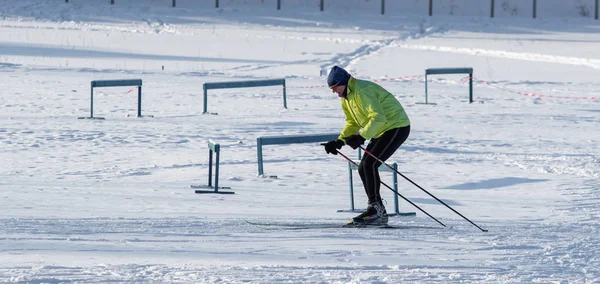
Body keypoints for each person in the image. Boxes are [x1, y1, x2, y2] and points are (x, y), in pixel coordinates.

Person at [323, 66, 411, 226]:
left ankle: (376, 210)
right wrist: (339, 141)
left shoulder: (362, 91)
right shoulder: (347, 98)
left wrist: (362, 137)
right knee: (363, 166)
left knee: (370, 164)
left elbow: (378, 118)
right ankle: (376, 209)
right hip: (381, 129)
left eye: (335, 88)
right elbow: (352, 123)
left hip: (396, 127)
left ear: (343, 82)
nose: (334, 92)